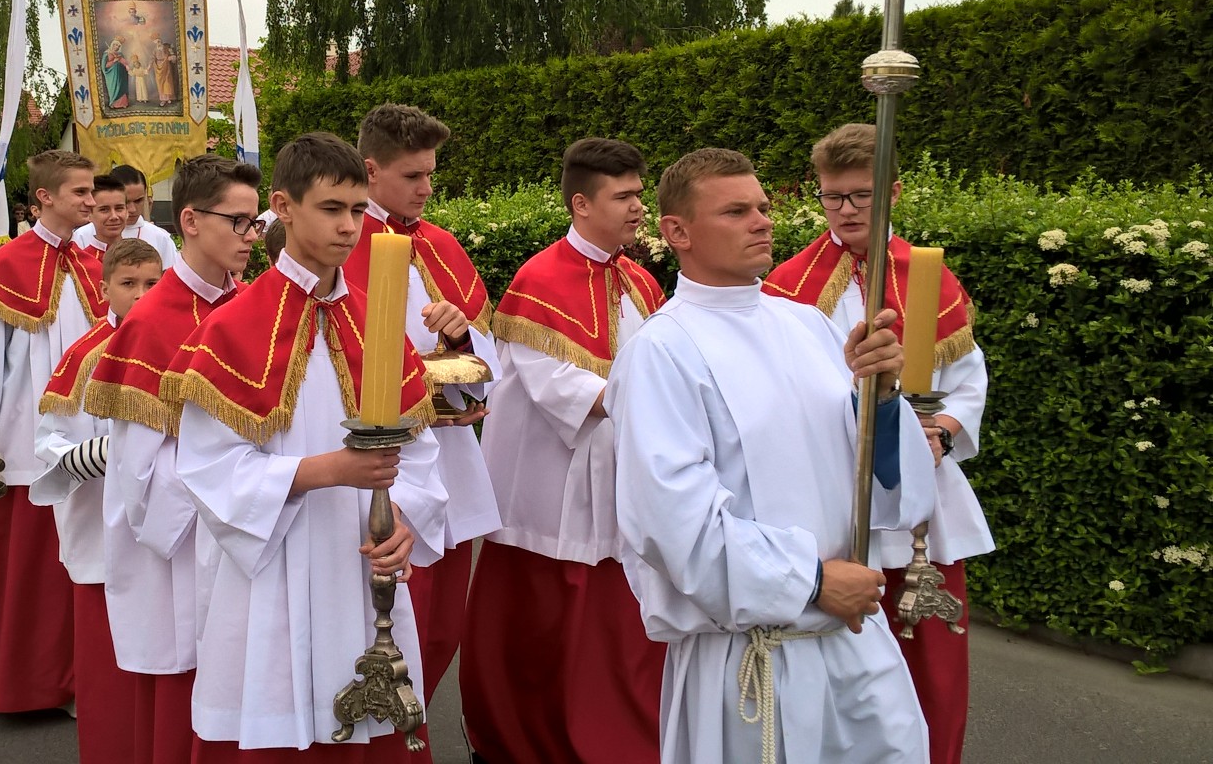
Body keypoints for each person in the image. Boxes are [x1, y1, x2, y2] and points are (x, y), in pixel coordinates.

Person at [610, 147, 936, 764]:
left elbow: (882, 482)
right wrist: (811, 581)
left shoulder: (808, 325)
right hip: (752, 657)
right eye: (736, 212)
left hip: (856, 642)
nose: (763, 221)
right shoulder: (661, 351)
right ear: (677, 232)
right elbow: (672, 524)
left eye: (762, 207)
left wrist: (882, 401)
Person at [167, 132, 447, 759]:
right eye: (331, 208)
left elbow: (419, 448)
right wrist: (328, 469)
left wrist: (405, 517)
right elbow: (207, 467)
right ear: (283, 207)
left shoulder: (377, 321)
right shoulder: (233, 327)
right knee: (278, 714)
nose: (349, 226)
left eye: (357, 209)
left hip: (362, 558)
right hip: (277, 562)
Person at [762, 124, 990, 764]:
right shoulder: (786, 284)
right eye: (832, 196)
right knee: (840, 662)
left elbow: (967, 379)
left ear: (891, 191)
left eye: (860, 195)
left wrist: (942, 431)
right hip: (831, 496)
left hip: (920, 500)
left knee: (930, 661)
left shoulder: (929, 279)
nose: (844, 210)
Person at [459, 137, 668, 763]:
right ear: (581, 203)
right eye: (623, 196)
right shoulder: (539, 281)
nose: (638, 207)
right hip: (552, 496)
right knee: (546, 633)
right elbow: (567, 393)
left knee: (617, 634)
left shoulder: (638, 280)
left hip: (626, 481)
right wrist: (670, 405)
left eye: (639, 194)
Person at [83, 154, 261, 764]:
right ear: (190, 220)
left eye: (255, 223)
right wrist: (230, 491)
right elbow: (137, 471)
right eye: (238, 222)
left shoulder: (254, 306)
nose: (250, 236)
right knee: (190, 676)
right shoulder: (152, 320)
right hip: (189, 538)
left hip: (258, 522)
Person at [0, 149, 103, 713]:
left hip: (85, 433)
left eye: (91, 190)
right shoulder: (5, 267)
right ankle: (17, 679)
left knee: (79, 558)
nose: (90, 200)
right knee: (26, 565)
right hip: (22, 435)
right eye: (80, 192)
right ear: (45, 198)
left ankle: (73, 679)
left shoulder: (92, 265)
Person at [344, 103, 499, 704]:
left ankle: (417, 728)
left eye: (431, 174)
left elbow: (482, 358)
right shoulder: (344, 244)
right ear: (371, 169)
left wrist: (462, 340)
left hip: (451, 456)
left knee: (441, 631)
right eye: (412, 175)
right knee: (397, 623)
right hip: (388, 460)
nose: (427, 188)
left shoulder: (439, 243)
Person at [30, 238, 163, 763]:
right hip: (103, 522)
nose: (141, 294)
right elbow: (48, 438)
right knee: (108, 659)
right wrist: (96, 453)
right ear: (104, 288)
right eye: (129, 284)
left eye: (152, 283)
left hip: (169, 523)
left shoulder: (185, 344)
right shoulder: (84, 355)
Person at [73, 164, 176, 267]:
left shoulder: (160, 237)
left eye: (138, 201)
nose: (132, 209)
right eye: (104, 209)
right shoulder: (81, 236)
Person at [76, 173, 131, 258]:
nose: (114, 216)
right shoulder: (80, 261)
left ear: (127, 211)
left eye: (119, 208)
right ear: (89, 214)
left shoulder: (141, 256)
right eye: (104, 210)